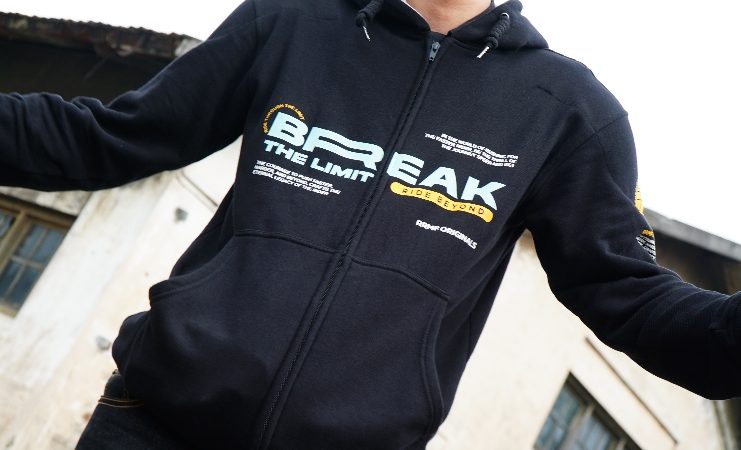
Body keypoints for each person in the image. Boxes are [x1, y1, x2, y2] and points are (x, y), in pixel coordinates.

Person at [1, 0, 739, 448]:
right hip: (153, 426)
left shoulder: (569, 111)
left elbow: (629, 293)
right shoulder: (290, 22)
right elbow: (108, 138)